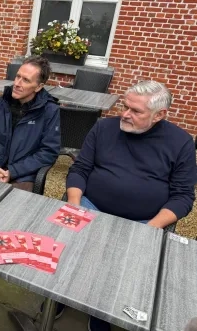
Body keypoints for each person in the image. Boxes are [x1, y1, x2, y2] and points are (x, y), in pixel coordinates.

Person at [64, 81, 197, 331]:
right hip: (89, 205)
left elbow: (182, 196)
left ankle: (100, 312)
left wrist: (153, 226)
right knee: (66, 251)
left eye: (136, 111)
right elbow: (80, 169)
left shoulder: (181, 143)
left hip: (142, 221)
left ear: (160, 115)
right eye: (125, 106)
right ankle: (59, 295)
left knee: (117, 266)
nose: (125, 114)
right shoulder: (104, 127)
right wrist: (74, 204)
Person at [0, 56, 60, 191]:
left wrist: (13, 171)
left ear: (38, 87)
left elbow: (48, 152)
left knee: (10, 209)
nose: (17, 83)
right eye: (18, 76)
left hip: (23, 176)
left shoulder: (49, 111)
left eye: (25, 80)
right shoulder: (1, 103)